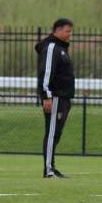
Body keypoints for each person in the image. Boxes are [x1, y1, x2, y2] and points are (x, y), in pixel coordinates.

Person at [36, 18, 75, 179]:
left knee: (56, 133)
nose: (70, 34)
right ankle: (48, 170)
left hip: (64, 98)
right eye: (67, 31)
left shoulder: (61, 48)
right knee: (52, 133)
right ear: (57, 30)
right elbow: (46, 72)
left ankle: (51, 166)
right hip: (55, 97)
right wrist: (47, 96)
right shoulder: (52, 47)